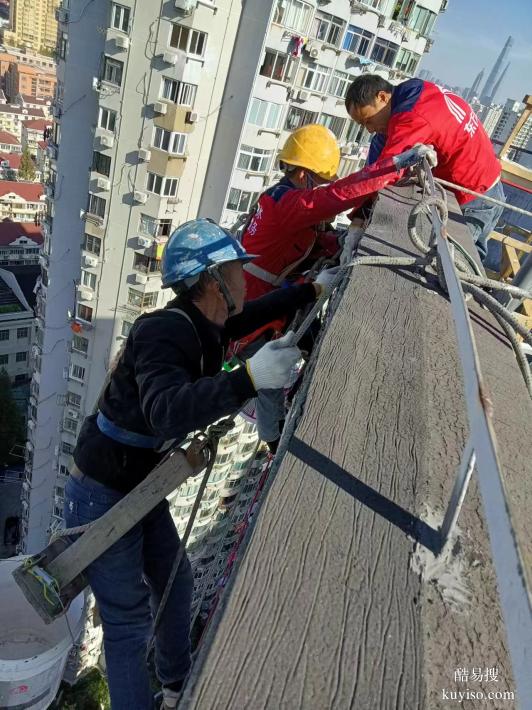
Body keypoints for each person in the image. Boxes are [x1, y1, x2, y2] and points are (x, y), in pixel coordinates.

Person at [64, 219, 324, 710]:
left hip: (133, 481)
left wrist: (310, 288)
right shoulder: (165, 332)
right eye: (235, 270)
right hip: (102, 492)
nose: (245, 278)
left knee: (175, 580)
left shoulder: (200, 321)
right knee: (126, 623)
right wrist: (248, 378)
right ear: (211, 280)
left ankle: (177, 685)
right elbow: (165, 410)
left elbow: (250, 316)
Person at [238, 123, 429, 448]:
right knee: (267, 378)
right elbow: (334, 198)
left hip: (273, 301)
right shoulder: (290, 204)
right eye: (320, 180)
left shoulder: (285, 200)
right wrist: (393, 165)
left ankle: (310, 390)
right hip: (254, 316)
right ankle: (273, 439)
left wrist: (343, 240)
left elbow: (312, 241)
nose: (323, 186)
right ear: (302, 174)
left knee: (310, 341)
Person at [344, 74, 505, 264]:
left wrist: (356, 219)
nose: (369, 129)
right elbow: (377, 161)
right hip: (486, 185)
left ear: (382, 97)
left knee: (458, 265)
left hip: (476, 198)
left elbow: (382, 174)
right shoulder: (413, 93)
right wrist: (360, 215)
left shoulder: (413, 115)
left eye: (368, 121)